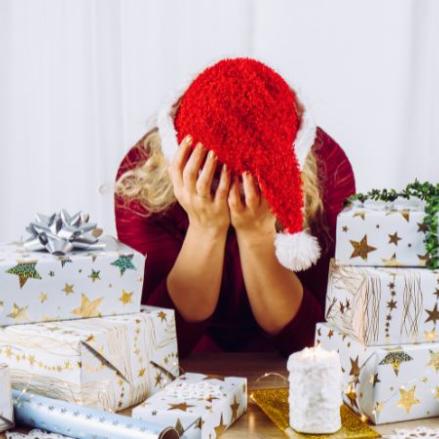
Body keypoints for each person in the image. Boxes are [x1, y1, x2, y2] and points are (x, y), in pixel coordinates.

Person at [114, 57, 355, 357]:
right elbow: (158, 346)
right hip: (189, 372)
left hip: (285, 372)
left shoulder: (328, 170)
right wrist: (205, 228)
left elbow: (314, 344)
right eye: (213, 177)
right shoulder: (140, 178)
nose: (231, 194)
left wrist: (258, 236)